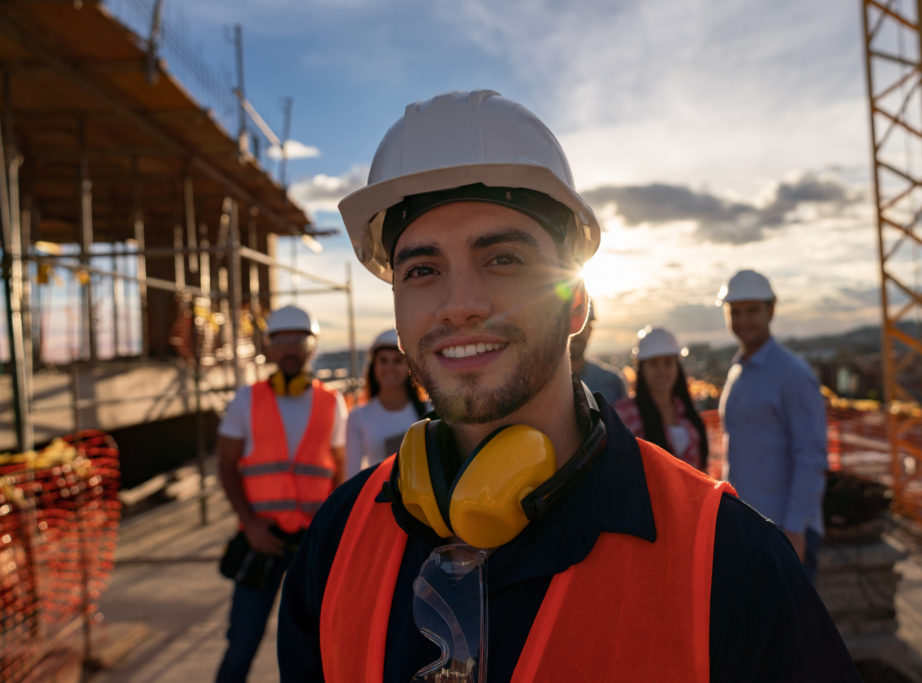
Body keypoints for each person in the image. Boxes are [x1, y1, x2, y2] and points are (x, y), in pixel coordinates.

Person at [278, 90, 858, 681]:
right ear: (399, 315)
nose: (460, 306)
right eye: (422, 270)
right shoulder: (337, 545)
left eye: (503, 259)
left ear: (576, 301)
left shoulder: (728, 563)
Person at [215, 304, 347, 682]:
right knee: (242, 643)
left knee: (317, 646)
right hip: (262, 540)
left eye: (298, 341)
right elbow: (226, 465)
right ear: (269, 348)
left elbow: (340, 472)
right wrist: (250, 524)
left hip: (313, 543)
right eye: (282, 341)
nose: (290, 348)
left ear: (312, 347)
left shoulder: (332, 402)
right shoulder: (246, 400)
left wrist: (330, 532)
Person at [716, 269, 829, 582]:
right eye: (735, 312)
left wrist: (794, 530)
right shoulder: (738, 372)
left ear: (771, 310)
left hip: (783, 531)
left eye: (752, 311)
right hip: (749, 526)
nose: (743, 320)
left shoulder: (791, 373)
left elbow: (811, 455)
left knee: (791, 631)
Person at [614, 326, 708, 471]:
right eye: (653, 364)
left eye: (668, 363)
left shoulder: (686, 410)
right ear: (642, 369)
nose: (661, 371)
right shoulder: (624, 414)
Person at [344, 328, 428, 480]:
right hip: (379, 501)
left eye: (397, 361)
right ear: (373, 366)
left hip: (425, 502)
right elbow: (352, 476)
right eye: (383, 360)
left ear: (410, 367)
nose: (390, 368)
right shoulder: (358, 417)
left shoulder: (430, 412)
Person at [569, 300, 627, 403]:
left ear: (590, 330)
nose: (575, 333)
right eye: (568, 324)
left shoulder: (612, 383)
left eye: (580, 326)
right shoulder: (537, 384)